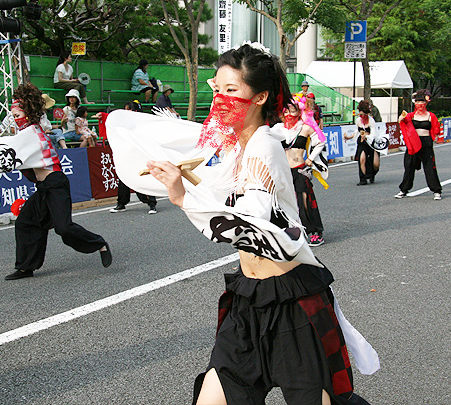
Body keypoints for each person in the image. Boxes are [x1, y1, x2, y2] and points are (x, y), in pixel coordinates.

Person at [142, 43, 377, 404]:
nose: (220, 99)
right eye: (217, 89)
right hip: (247, 299)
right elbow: (220, 193)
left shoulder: (264, 147)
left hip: (292, 304)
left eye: (231, 90)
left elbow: (249, 225)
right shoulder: (237, 146)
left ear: (260, 96)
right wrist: (179, 178)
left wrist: (182, 197)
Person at [0, 82, 112, 280]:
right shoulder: (26, 133)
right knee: (25, 222)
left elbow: (6, 154)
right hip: (43, 187)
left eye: (17, 115)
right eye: (13, 116)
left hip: (56, 184)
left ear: (28, 114)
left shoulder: (33, 133)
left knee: (63, 228)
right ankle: (25, 267)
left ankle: (99, 244)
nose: (15, 119)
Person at [274, 95, 328, 246]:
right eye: (286, 111)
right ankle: (292, 231)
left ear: (300, 111)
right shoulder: (278, 129)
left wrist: (310, 158)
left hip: (299, 170)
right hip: (284, 172)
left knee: (304, 202)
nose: (289, 114)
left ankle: (315, 231)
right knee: (284, 203)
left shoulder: (305, 127)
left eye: (293, 110)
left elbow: (321, 141)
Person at [110, 101, 158, 214]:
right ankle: (121, 203)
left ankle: (151, 203)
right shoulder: (123, 124)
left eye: (129, 109)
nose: (126, 111)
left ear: (135, 111)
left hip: (139, 155)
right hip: (127, 155)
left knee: (143, 178)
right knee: (123, 178)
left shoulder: (142, 123)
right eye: (125, 109)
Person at [395, 89, 443, 200]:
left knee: (429, 167)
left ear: (426, 103)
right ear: (414, 103)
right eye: (417, 102)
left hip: (426, 142)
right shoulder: (411, 116)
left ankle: (436, 190)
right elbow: (402, 122)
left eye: (422, 102)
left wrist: (434, 137)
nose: (419, 104)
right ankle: (404, 189)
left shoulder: (431, 116)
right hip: (413, 143)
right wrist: (401, 118)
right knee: (409, 166)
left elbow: (436, 129)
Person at [344, 100, 380, 186]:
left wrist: (367, 136)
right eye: (360, 115)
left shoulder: (371, 121)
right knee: (362, 159)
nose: (362, 116)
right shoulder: (358, 120)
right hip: (362, 142)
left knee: (376, 164)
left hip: (371, 143)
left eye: (364, 115)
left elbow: (373, 134)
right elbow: (357, 131)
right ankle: (362, 178)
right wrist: (349, 137)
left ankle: (372, 175)